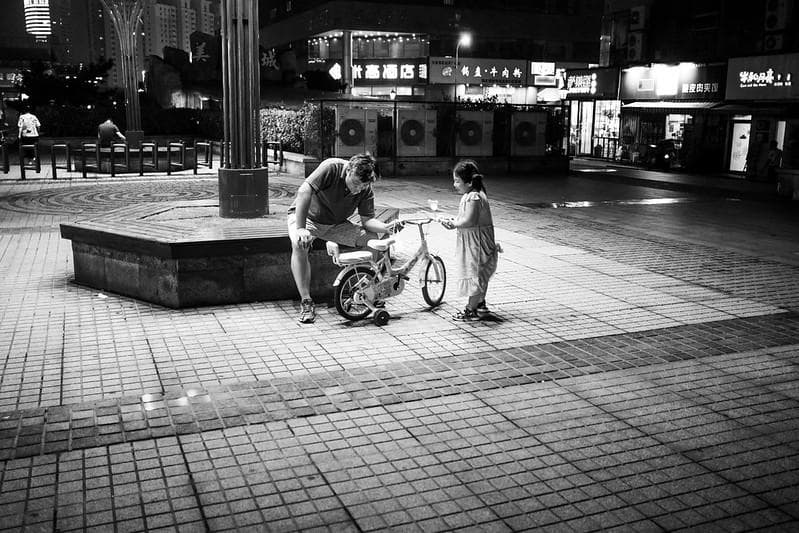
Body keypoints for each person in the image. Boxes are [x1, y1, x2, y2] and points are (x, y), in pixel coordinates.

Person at [288, 153, 399, 324]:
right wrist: (301, 228)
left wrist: (386, 227)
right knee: (299, 243)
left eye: (362, 187)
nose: (357, 190)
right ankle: (306, 300)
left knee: (372, 240)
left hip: (337, 224)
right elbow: (304, 191)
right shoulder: (331, 167)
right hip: (308, 219)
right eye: (355, 183)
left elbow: (367, 220)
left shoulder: (365, 188)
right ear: (348, 170)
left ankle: (366, 291)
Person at [440, 159, 500, 321]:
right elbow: (469, 219)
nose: (454, 184)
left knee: (475, 276)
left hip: (476, 244)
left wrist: (454, 224)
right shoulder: (477, 194)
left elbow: (470, 221)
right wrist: (454, 220)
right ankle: (480, 303)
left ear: (468, 182)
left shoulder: (473, 196)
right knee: (480, 275)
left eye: (457, 181)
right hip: (480, 242)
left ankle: (470, 309)